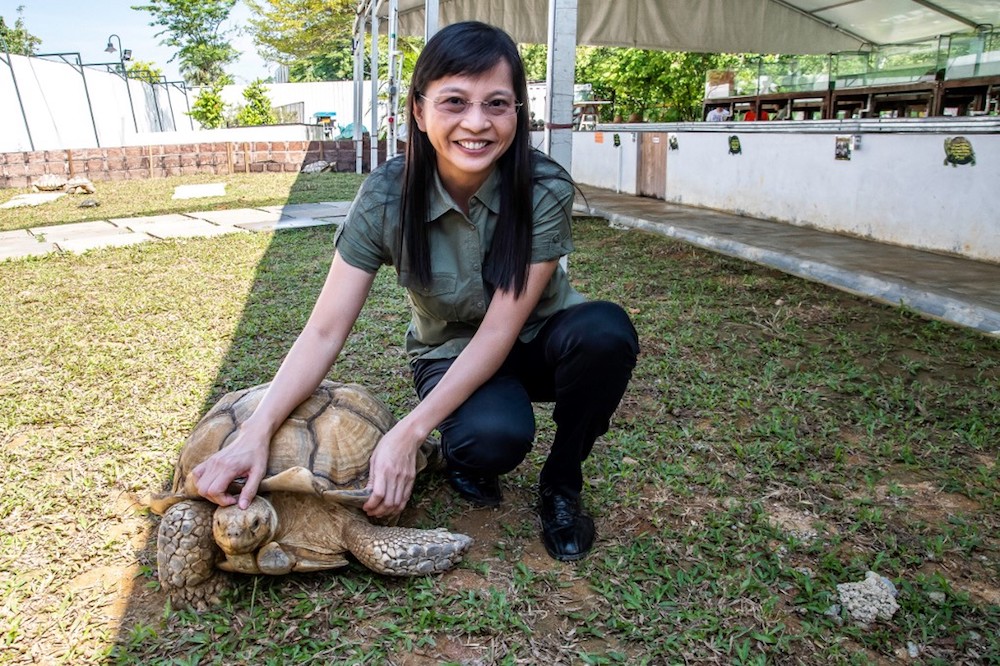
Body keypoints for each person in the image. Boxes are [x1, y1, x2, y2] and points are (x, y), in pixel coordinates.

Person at [190, 21, 640, 562]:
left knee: (606, 332)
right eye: (455, 101)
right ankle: (467, 454)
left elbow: (501, 329)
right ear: (420, 111)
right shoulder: (385, 197)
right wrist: (255, 432)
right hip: (447, 353)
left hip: (539, 341)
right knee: (491, 439)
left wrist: (406, 433)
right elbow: (326, 329)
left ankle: (563, 482)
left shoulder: (542, 187)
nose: (476, 123)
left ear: (517, 114)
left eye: (497, 104)